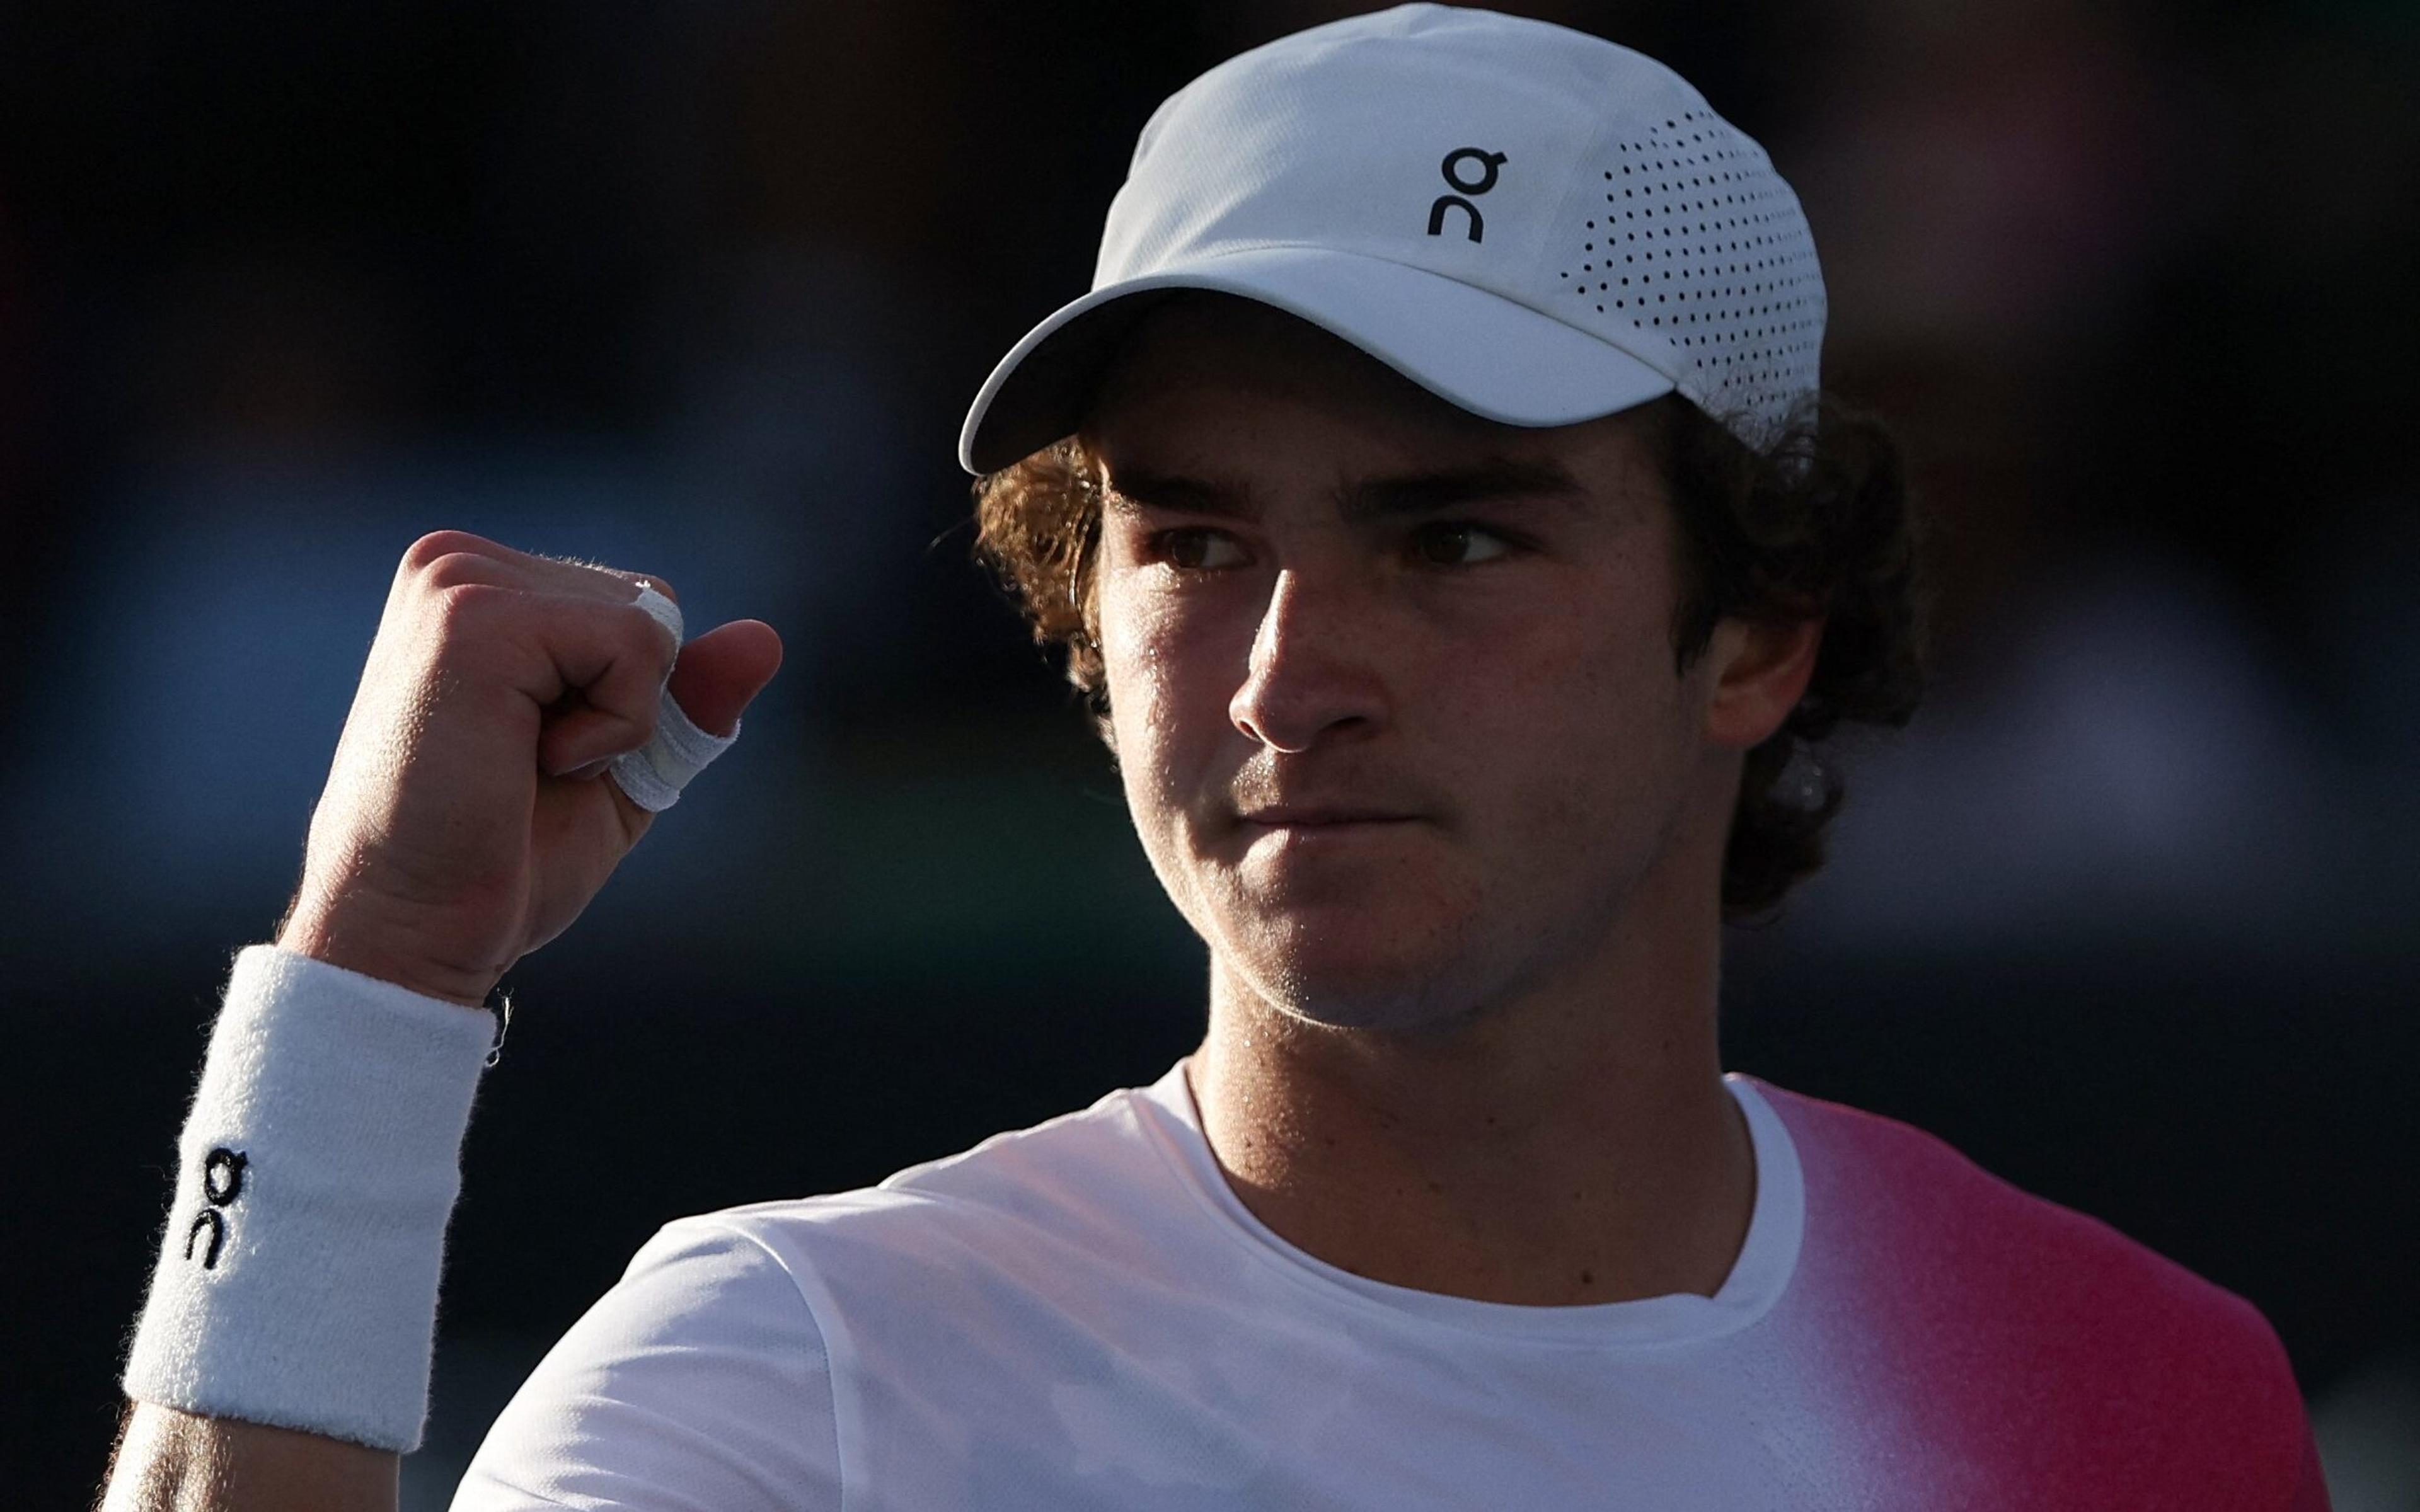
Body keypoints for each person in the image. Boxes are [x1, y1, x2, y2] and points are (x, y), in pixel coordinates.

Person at [103, 6, 2327, 1509]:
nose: (1289, 674)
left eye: (1449, 533)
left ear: (1756, 632)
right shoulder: (790, 1385)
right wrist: (371, 982)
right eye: (1190, 541)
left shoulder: (2128, 1391)